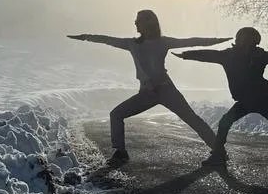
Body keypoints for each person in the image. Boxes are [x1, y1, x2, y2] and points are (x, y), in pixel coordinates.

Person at [68, 9, 230, 165]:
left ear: (148, 23)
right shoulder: (132, 43)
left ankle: (219, 152)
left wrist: (217, 40)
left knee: (192, 119)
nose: (135, 23)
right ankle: (120, 153)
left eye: (138, 21)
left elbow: (193, 41)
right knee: (116, 114)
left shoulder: (163, 42)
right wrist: (85, 37)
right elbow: (107, 39)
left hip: (167, 90)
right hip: (147, 93)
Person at [173, 26, 268, 166]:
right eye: (247, 41)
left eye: (251, 42)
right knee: (229, 122)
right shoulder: (232, 55)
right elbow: (207, 55)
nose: (249, 45)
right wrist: (186, 55)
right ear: (241, 40)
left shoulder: (253, 55)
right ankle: (218, 155)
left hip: (259, 99)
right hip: (249, 100)